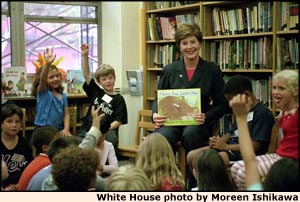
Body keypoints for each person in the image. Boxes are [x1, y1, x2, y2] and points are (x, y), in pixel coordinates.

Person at [152, 23, 229, 189]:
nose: (189, 47)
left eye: (193, 42)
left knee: (191, 134)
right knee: (161, 136)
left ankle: (194, 184)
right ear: (179, 46)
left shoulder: (212, 70)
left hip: (198, 123)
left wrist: (206, 117)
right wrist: (155, 114)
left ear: (200, 43)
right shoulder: (169, 69)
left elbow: (222, 104)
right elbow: (158, 98)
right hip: (172, 121)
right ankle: (163, 182)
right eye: (184, 43)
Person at [186, 75, 274, 188]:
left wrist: (226, 147)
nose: (230, 105)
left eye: (232, 100)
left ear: (246, 95)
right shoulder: (241, 110)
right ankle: (199, 187)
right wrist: (218, 141)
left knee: (210, 162)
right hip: (229, 148)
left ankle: (216, 190)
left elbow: (255, 146)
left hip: (242, 153)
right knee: (191, 156)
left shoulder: (262, 113)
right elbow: (231, 133)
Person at [230, 69, 298, 190]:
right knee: (235, 168)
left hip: (290, 163)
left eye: (281, 88)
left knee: (243, 173)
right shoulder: (284, 111)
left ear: (295, 91)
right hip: (279, 155)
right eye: (274, 88)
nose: (275, 92)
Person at [40, 106, 107, 191]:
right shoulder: (97, 182)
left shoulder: (49, 183)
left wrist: (94, 130)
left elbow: (78, 156)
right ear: (92, 182)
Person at [79, 44, 128, 154]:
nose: (108, 81)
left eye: (110, 78)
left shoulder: (119, 99)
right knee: (80, 141)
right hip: (90, 126)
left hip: (108, 130)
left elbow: (119, 121)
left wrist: (102, 130)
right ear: (99, 82)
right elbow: (86, 75)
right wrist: (85, 56)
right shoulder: (96, 91)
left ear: (114, 78)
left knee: (111, 140)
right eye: (104, 79)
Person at [31, 48, 71, 136]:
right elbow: (43, 80)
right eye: (51, 77)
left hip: (58, 129)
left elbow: (66, 115)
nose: (55, 79)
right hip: (42, 128)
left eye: (57, 76)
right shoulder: (42, 92)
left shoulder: (62, 96)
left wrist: (66, 129)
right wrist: (48, 64)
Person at [1, 104, 34, 190]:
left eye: (17, 121)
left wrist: (20, 185)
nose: (14, 125)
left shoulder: (24, 143)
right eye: (9, 121)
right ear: (2, 124)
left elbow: (30, 168)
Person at [17, 126, 60, 190]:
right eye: (57, 143)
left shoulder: (40, 159)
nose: (62, 144)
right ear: (45, 148)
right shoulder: (48, 163)